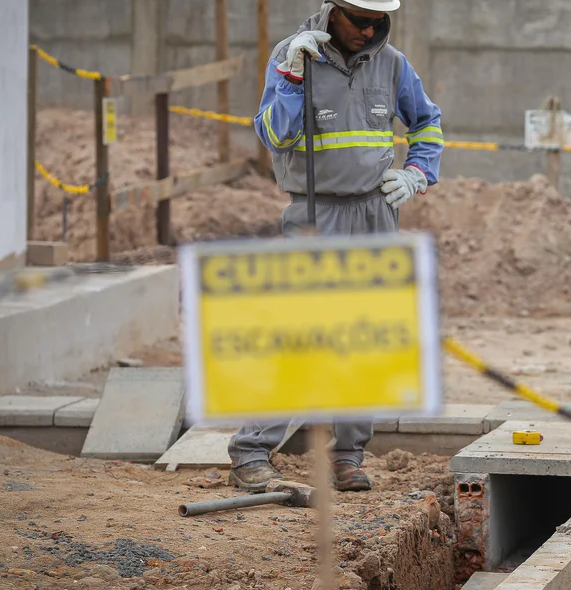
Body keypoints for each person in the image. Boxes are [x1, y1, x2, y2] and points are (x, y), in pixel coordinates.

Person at [228, 0, 444, 493]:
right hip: (315, 211)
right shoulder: (293, 56)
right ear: (333, 11)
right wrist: (291, 78)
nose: (368, 31)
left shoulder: (392, 64)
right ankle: (251, 451)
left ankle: (347, 455)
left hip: (375, 211)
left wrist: (417, 173)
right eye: (358, 20)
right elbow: (274, 134)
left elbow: (427, 122)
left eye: (377, 22)